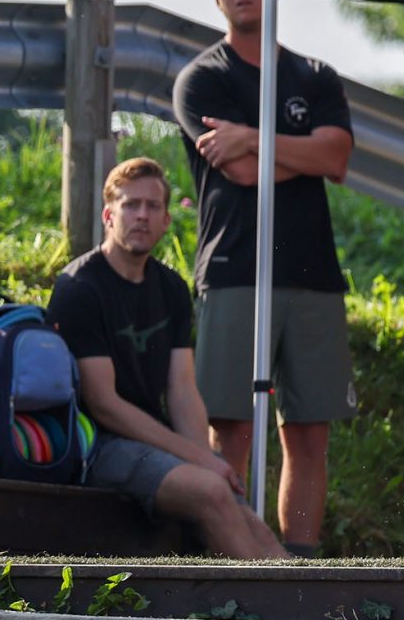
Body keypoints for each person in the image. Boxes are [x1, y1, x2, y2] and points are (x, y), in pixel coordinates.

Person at [172, 0, 354, 558]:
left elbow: (336, 157)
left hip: (312, 273)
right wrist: (297, 152)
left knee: (308, 433)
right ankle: (234, 560)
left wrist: (251, 136)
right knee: (231, 429)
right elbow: (244, 175)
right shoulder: (202, 79)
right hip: (236, 269)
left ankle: (297, 566)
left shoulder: (314, 76)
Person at [47, 157, 288, 559]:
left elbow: (182, 391)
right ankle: (263, 598)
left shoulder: (172, 288)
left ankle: (305, 595)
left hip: (154, 441)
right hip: (97, 446)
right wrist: (199, 459)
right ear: (109, 215)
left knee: (248, 517)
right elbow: (104, 406)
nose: (142, 215)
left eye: (152, 206)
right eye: (130, 205)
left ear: (165, 221)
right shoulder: (79, 288)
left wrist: (206, 457)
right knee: (212, 491)